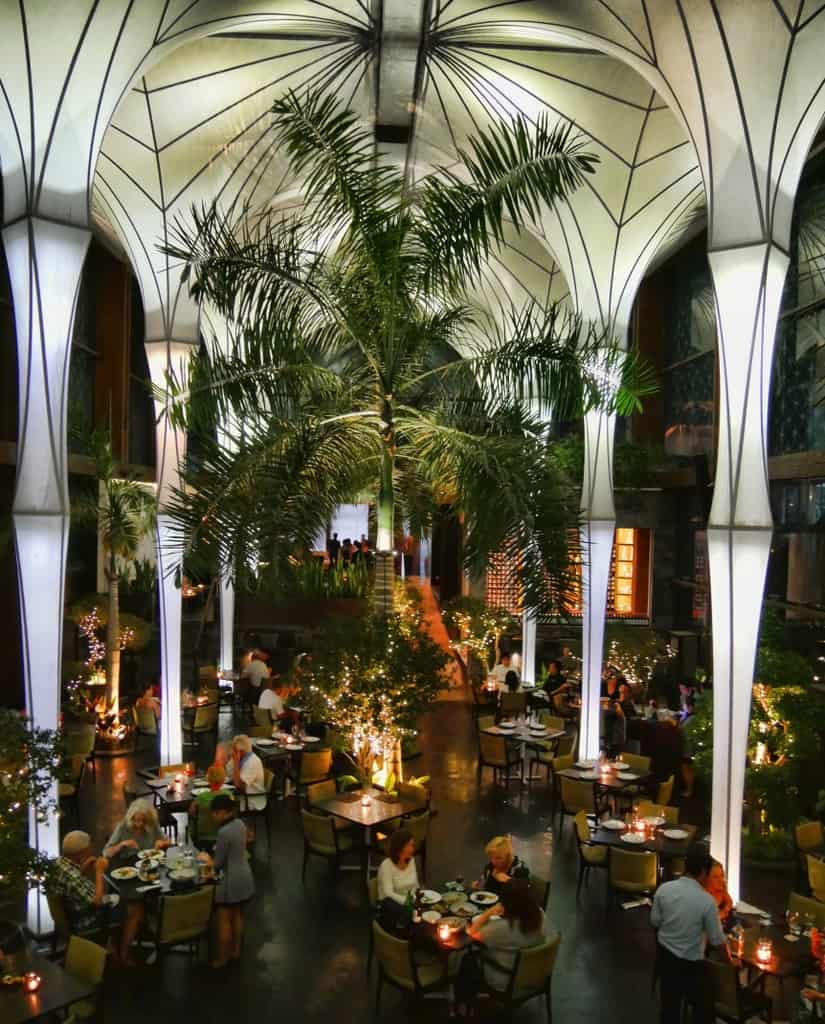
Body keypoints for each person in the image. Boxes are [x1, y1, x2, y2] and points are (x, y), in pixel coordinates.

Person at [650, 845, 731, 1024]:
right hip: (691, 968)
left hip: (665, 960)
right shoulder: (706, 902)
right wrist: (730, 963)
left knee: (669, 1010)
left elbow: (655, 921)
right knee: (705, 1010)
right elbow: (718, 941)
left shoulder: (664, 889)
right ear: (703, 872)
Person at [198, 794, 254, 969]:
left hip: (229, 882)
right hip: (245, 876)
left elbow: (217, 864)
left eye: (215, 813)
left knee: (224, 920)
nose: (213, 816)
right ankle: (236, 951)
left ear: (223, 812)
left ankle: (222, 959)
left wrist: (206, 858)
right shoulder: (240, 824)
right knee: (237, 916)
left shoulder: (223, 832)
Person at [467, 878, 545, 991]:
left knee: (468, 959)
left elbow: (471, 934)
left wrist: (488, 913)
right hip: (533, 975)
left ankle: (466, 998)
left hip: (506, 980)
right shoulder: (540, 915)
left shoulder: (503, 928)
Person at [104, 799, 169, 859]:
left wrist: (163, 843)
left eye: (144, 820)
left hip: (151, 860)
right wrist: (121, 844)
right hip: (129, 863)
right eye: (137, 820)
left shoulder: (151, 823)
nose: (141, 824)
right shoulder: (123, 827)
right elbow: (106, 852)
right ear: (131, 818)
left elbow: (168, 842)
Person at [189, 764, 229, 846]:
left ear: (208, 779)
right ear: (223, 780)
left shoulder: (201, 797)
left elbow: (191, 812)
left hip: (203, 837)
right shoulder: (229, 796)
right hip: (224, 835)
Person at [377, 829, 419, 905]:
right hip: (392, 905)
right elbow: (388, 893)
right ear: (399, 847)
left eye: (412, 845)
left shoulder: (411, 860)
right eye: (408, 846)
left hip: (410, 902)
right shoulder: (386, 865)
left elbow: (415, 885)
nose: (412, 849)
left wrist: (418, 898)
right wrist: (407, 902)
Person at [231, 734, 266, 810]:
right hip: (242, 794)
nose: (232, 753)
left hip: (251, 800)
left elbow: (239, 785)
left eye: (234, 751)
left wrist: (236, 762)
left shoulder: (252, 762)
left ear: (240, 752)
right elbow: (229, 774)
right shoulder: (243, 759)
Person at [702, 859, 734, 927]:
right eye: (715, 877)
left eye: (721, 875)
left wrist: (725, 910)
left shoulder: (721, 888)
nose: (721, 880)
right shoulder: (701, 895)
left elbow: (730, 902)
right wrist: (719, 916)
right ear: (706, 879)